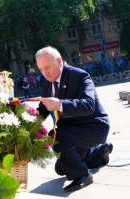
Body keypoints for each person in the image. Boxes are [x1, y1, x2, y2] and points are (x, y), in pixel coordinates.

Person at [35, 46, 112, 192]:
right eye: (40, 69)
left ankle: (83, 176)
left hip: (93, 127)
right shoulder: (46, 82)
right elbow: (44, 108)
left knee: (56, 136)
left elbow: (89, 104)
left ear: (59, 61)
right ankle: (100, 151)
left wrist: (59, 104)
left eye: (47, 67)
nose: (44, 72)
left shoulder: (80, 75)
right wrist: (28, 122)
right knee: (61, 169)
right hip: (73, 130)